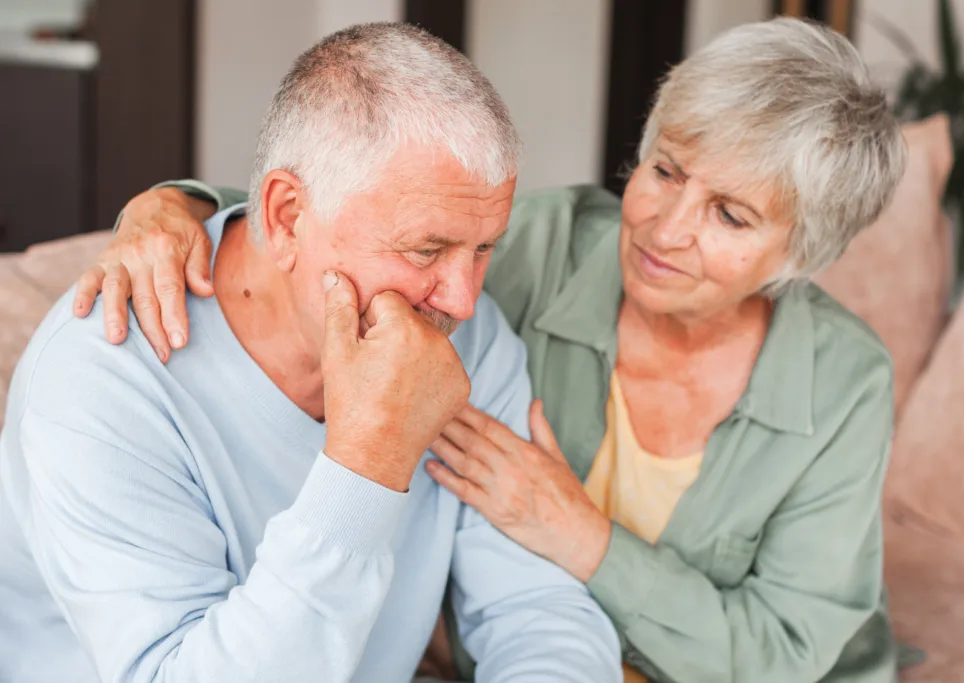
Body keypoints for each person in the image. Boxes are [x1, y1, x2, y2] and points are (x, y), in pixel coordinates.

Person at [74, 17, 908, 683]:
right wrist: (169, 206)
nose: (666, 226)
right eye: (665, 169)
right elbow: (346, 218)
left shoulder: (845, 381)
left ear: (803, 255)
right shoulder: (541, 245)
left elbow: (784, 651)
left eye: (730, 215)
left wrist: (583, 537)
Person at [0, 23, 624, 683]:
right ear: (288, 215)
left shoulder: (467, 332)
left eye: (482, 247)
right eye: (425, 250)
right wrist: (367, 461)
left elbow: (537, 608)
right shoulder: (104, 381)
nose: (464, 299)